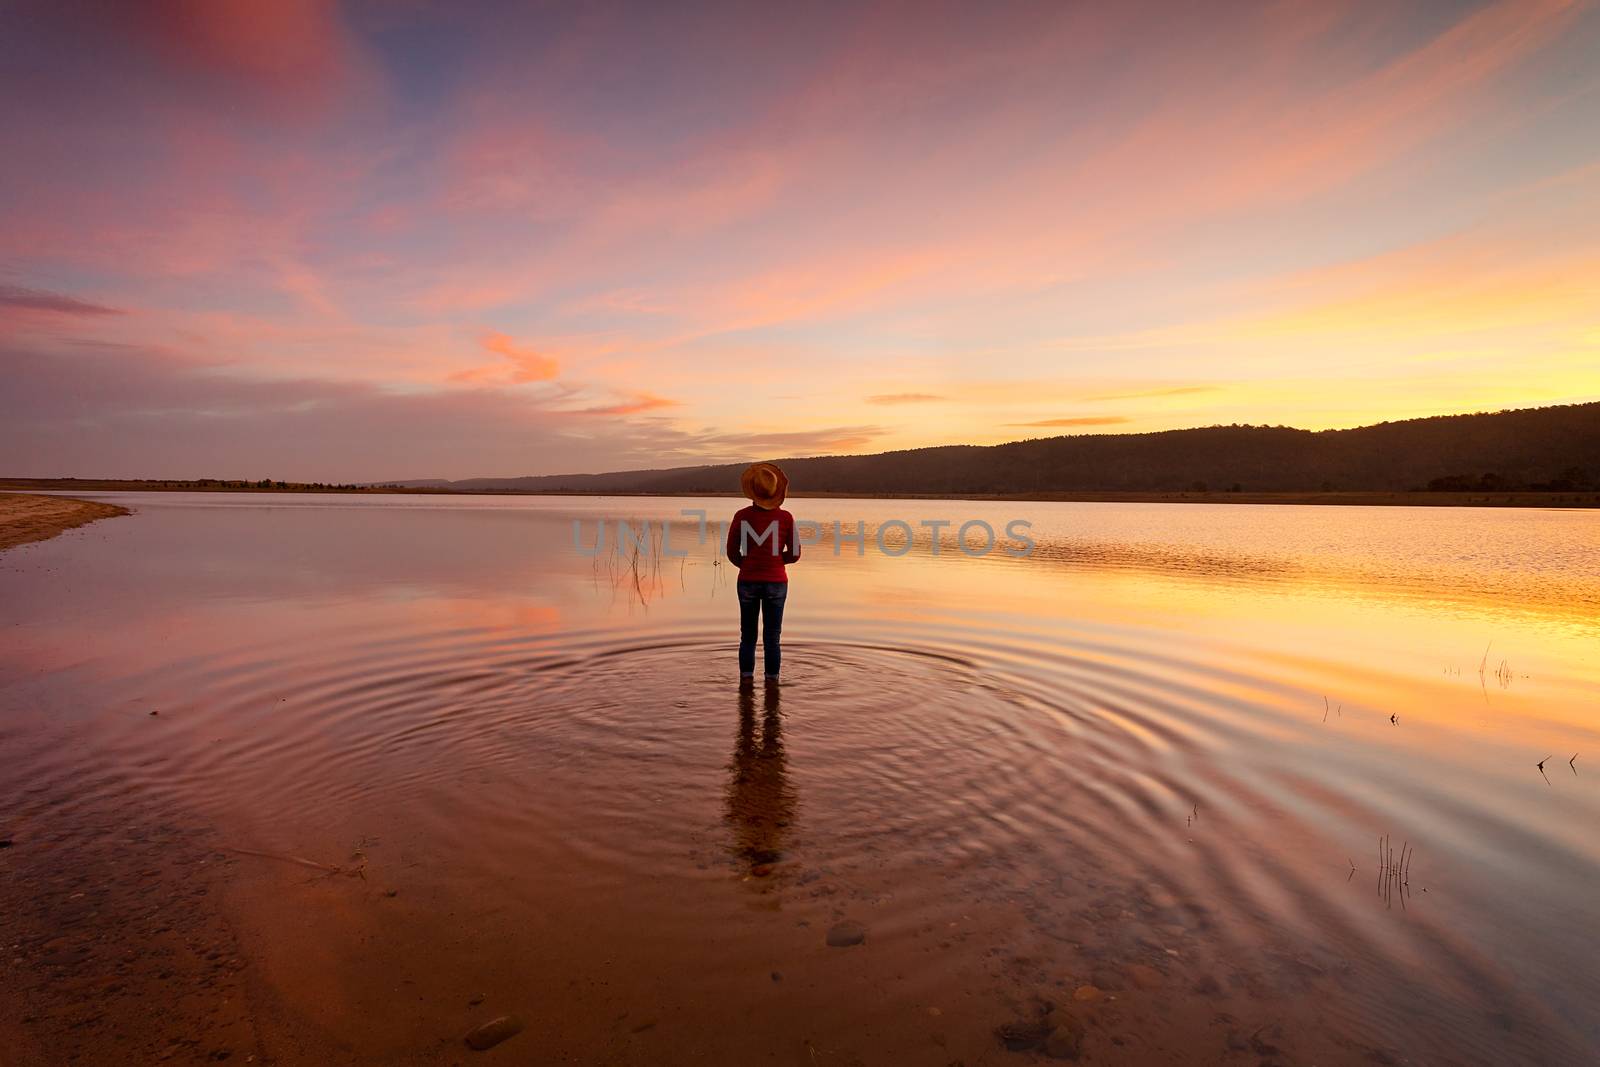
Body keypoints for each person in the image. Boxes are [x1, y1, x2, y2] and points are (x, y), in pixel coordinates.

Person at [725, 462, 799, 682]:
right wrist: (775, 562)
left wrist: (749, 565)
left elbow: (731, 552)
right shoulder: (786, 518)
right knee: (772, 638)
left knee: (747, 637)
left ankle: (746, 682)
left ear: (752, 492)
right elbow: (794, 554)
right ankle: (772, 682)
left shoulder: (741, 516)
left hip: (747, 580)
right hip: (776, 582)